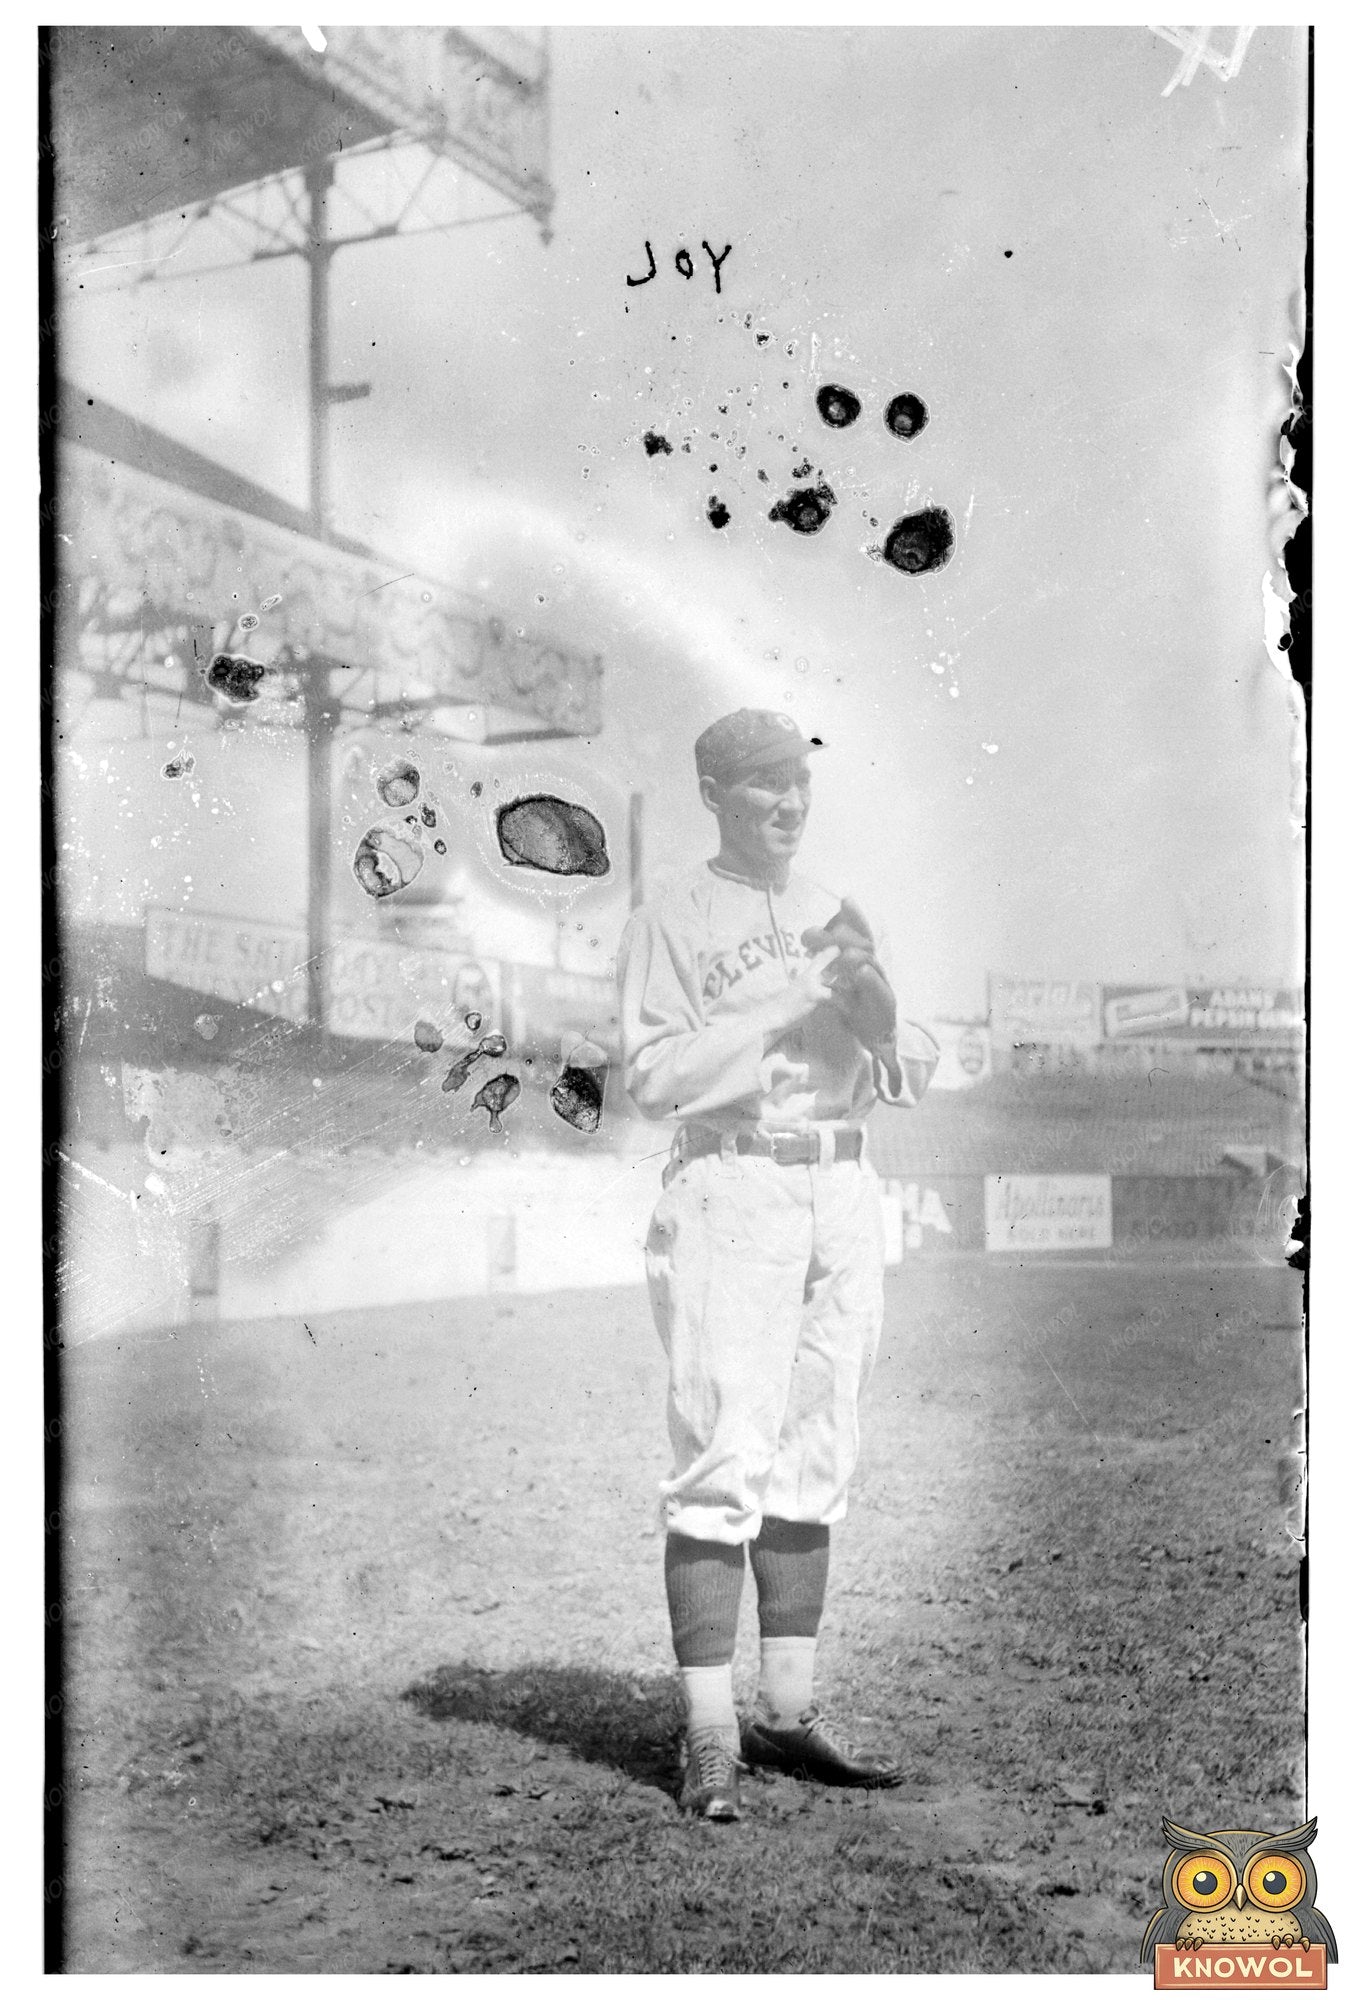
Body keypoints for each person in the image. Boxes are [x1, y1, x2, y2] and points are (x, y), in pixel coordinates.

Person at [616, 708, 940, 1822]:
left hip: (843, 1186)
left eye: (798, 784)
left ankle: (788, 1713)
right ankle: (710, 1732)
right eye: (761, 788)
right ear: (714, 793)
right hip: (731, 1182)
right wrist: (784, 1004)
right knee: (721, 1449)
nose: (788, 805)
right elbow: (651, 1078)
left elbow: (917, 1058)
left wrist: (890, 1026)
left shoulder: (834, 910)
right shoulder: (675, 909)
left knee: (818, 1444)